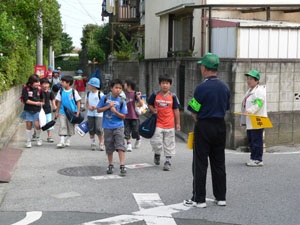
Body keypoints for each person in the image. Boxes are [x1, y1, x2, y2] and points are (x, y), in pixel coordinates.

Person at [183, 53, 230, 208]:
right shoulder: (225, 87)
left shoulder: (201, 88)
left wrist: (200, 119)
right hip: (220, 126)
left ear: (204, 68)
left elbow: (194, 111)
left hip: (204, 126)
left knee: (200, 163)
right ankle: (221, 197)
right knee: (219, 162)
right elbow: (226, 108)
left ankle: (200, 199)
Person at [147, 74, 181, 171]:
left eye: (167, 83)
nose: (165, 85)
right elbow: (149, 104)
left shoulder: (173, 96)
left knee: (169, 143)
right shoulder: (155, 94)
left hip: (169, 124)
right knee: (156, 142)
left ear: (170, 85)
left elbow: (176, 110)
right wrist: (153, 110)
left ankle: (167, 161)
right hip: (158, 123)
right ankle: (157, 153)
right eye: (163, 83)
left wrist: (178, 123)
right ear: (160, 84)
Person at [96, 79, 128, 176]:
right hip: (107, 126)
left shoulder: (122, 100)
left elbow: (123, 116)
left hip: (119, 126)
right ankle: (110, 164)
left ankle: (122, 165)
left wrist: (115, 112)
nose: (118, 90)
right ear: (111, 88)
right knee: (109, 146)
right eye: (116, 88)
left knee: (120, 146)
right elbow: (98, 110)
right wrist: (108, 107)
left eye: (120, 88)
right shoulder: (105, 98)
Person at [241, 69, 267, 167]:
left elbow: (259, 103)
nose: (248, 81)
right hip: (251, 119)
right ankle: (253, 158)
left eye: (251, 79)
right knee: (252, 139)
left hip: (257, 119)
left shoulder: (259, 91)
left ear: (257, 81)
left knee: (256, 139)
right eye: (248, 78)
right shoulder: (250, 90)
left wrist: (250, 110)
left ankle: (258, 159)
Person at [55, 75, 81, 148]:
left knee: (70, 126)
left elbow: (78, 101)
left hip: (72, 112)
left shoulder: (73, 91)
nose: (61, 83)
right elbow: (59, 102)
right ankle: (62, 141)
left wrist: (78, 111)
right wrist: (57, 111)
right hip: (62, 111)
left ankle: (68, 139)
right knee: (62, 125)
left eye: (63, 82)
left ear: (68, 83)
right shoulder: (60, 91)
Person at [20, 74, 44, 148]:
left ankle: (38, 138)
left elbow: (42, 98)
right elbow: (25, 100)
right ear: (31, 82)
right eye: (36, 82)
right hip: (28, 110)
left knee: (37, 125)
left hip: (37, 110)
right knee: (29, 125)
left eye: (38, 82)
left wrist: (42, 103)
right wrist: (36, 103)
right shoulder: (26, 89)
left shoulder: (39, 89)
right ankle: (28, 141)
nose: (38, 83)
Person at [124, 80, 143, 152]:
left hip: (134, 116)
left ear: (129, 85)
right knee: (126, 131)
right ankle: (129, 144)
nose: (124, 85)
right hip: (126, 116)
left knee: (135, 131)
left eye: (125, 84)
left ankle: (138, 138)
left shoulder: (135, 94)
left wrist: (138, 98)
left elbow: (141, 104)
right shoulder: (124, 94)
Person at [86, 77, 105, 151]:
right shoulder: (88, 93)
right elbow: (87, 103)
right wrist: (89, 107)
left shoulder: (100, 94)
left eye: (90, 84)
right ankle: (93, 142)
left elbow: (103, 104)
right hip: (90, 114)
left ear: (94, 86)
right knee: (91, 129)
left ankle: (101, 143)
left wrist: (96, 107)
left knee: (98, 129)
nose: (88, 86)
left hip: (99, 114)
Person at [40, 78, 57, 142]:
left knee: (49, 123)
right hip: (39, 110)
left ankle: (49, 136)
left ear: (49, 85)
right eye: (44, 84)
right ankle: (35, 134)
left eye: (47, 84)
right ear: (41, 85)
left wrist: (54, 106)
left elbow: (53, 99)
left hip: (48, 110)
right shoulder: (39, 92)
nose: (45, 85)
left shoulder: (50, 92)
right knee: (38, 123)